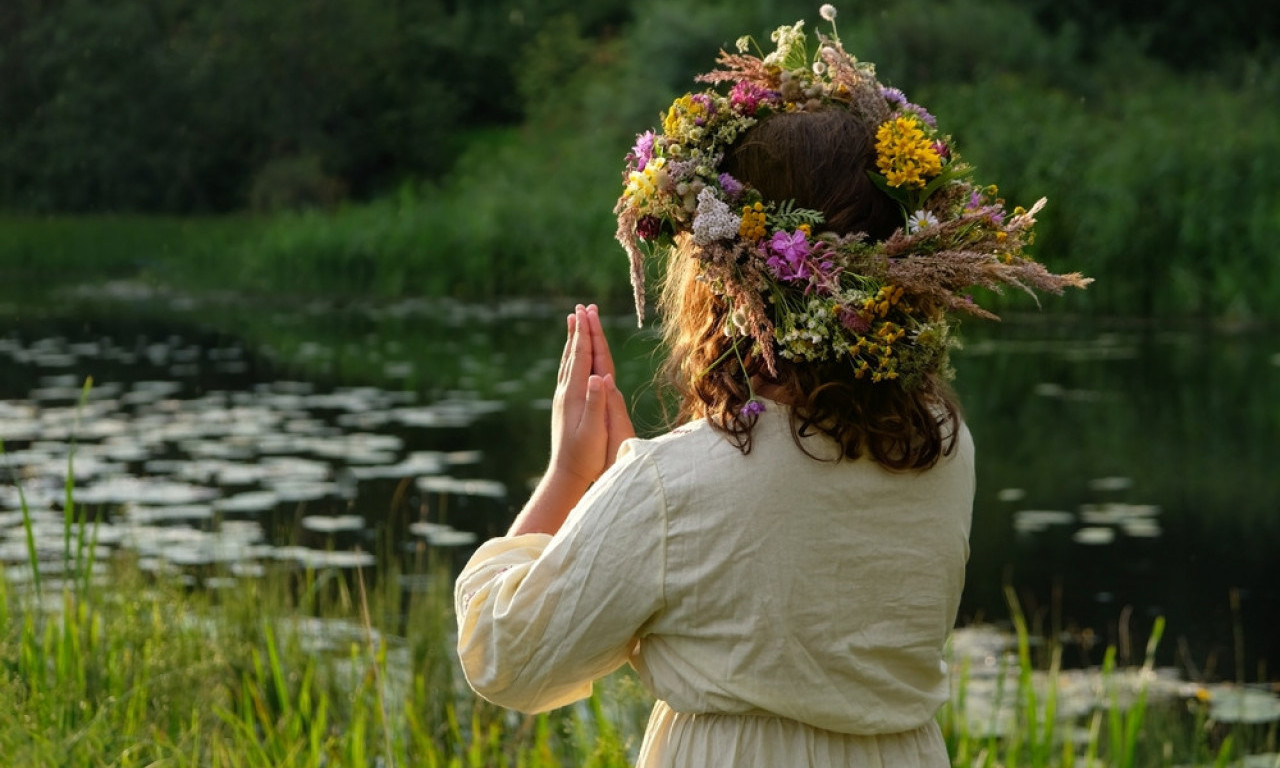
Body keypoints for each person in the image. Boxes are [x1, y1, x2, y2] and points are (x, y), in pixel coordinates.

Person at [454, 8, 1089, 767]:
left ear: (721, 277)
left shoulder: (671, 487)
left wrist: (573, 478)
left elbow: (506, 658)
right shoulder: (942, 448)